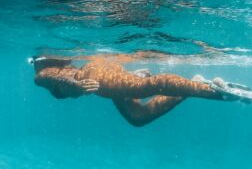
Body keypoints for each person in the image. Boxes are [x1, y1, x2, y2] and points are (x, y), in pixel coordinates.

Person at [30, 51, 226, 127]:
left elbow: (61, 79)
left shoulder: (41, 76)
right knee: (137, 117)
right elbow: (62, 80)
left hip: (93, 76)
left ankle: (214, 92)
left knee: (145, 86)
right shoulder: (45, 72)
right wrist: (76, 87)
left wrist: (77, 87)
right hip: (97, 73)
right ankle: (195, 82)